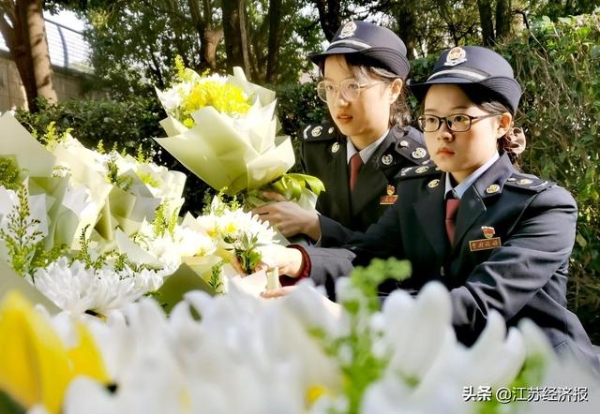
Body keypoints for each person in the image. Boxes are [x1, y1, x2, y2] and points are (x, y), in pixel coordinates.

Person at [258, 45, 600, 375]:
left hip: (539, 378)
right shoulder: (418, 191)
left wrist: (352, 314)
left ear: (502, 124)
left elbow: (480, 304)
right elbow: (365, 258)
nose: (443, 134)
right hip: (447, 373)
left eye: (459, 119)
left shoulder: (542, 206)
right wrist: (295, 260)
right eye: (432, 120)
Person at [253, 20, 429, 247]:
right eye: (330, 87)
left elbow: (401, 252)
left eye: (353, 86)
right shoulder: (316, 148)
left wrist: (316, 226)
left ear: (393, 90)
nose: (339, 102)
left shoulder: (420, 163)